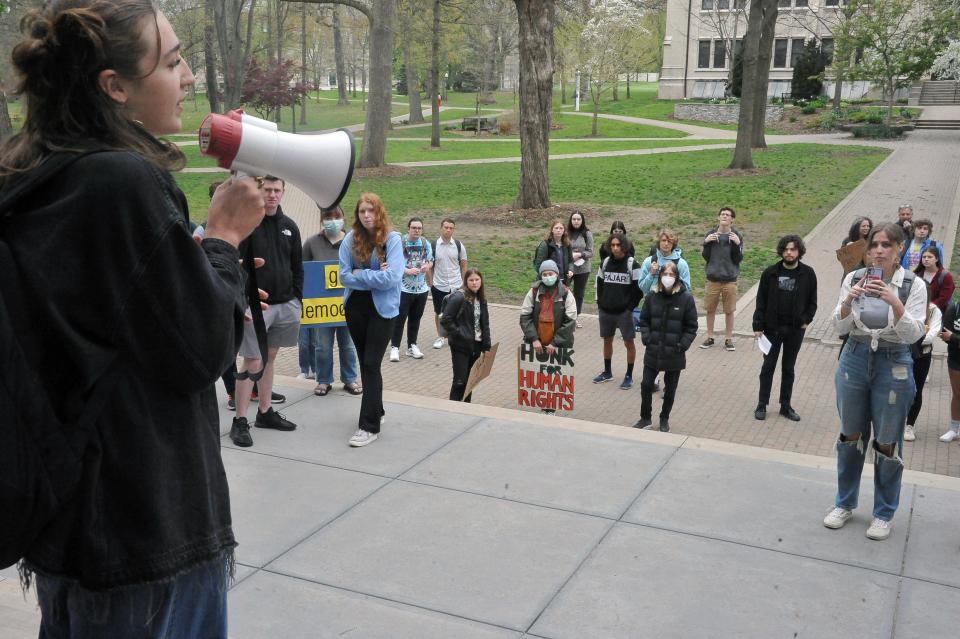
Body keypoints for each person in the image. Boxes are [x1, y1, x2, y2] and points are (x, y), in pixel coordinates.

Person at [0, 0, 265, 633]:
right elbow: (203, 350)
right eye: (173, 62)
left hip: (76, 527)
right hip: (146, 532)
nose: (190, 77)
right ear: (114, 87)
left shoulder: (35, 171)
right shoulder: (121, 184)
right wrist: (225, 239)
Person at [823, 223, 926, 541]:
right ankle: (844, 503)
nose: (879, 250)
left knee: (886, 441)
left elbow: (914, 336)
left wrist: (894, 302)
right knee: (850, 435)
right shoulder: (854, 278)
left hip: (893, 362)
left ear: (898, 251)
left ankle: (883, 513)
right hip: (854, 356)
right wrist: (847, 302)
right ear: (866, 252)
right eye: (874, 246)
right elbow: (838, 328)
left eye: (887, 245)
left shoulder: (914, 285)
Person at [231, 176, 303, 447]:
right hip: (255, 307)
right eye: (268, 190)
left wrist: (297, 298)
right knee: (252, 361)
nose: (272, 195)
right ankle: (240, 420)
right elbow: (234, 265)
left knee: (270, 358)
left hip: (286, 304)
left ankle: (265, 412)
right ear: (260, 191)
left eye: (277, 190)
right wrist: (241, 301)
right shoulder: (247, 225)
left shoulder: (290, 227)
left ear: (283, 192)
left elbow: (297, 265)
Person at [339, 193, 404, 447]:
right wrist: (374, 274)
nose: (367, 215)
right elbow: (344, 276)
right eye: (362, 211)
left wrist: (361, 274)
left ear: (379, 212)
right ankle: (378, 410)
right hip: (356, 307)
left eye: (371, 210)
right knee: (367, 362)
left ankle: (369, 426)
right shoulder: (349, 239)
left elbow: (393, 278)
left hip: (383, 310)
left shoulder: (392, 239)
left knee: (370, 363)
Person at [752, 235, 818, 422]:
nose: (789, 253)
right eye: (786, 249)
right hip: (772, 330)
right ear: (782, 251)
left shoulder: (808, 274)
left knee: (788, 368)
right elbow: (761, 301)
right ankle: (762, 404)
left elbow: (812, 301)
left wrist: (806, 320)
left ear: (799, 252)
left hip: (795, 330)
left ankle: (785, 405)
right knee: (768, 367)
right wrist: (758, 325)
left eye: (793, 249)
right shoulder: (770, 273)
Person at [302, 205, 362, 397]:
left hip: (348, 303)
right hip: (321, 307)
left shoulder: (354, 242)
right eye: (328, 217)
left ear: (343, 218)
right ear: (321, 219)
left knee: (348, 345)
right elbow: (304, 273)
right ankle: (323, 380)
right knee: (322, 346)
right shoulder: (311, 243)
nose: (332, 220)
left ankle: (350, 379)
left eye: (336, 217)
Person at [635, 261, 699, 432]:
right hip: (653, 350)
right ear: (660, 276)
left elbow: (691, 327)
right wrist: (647, 338)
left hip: (674, 353)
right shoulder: (651, 296)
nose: (668, 278)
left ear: (677, 277)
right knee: (646, 385)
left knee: (670, 389)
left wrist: (681, 345)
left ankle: (664, 419)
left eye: (671, 274)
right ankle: (645, 418)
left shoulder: (686, 299)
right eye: (665, 274)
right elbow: (644, 320)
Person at [519, 260, 577, 414]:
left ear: (557, 275)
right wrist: (534, 339)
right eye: (544, 274)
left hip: (559, 345)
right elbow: (525, 316)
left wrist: (556, 343)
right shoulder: (533, 292)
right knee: (538, 376)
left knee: (556, 377)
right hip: (537, 343)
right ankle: (543, 403)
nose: (547, 277)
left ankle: (551, 407)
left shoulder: (566, 293)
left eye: (550, 274)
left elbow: (570, 321)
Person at [592, 235, 642, 390]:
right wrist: (600, 304)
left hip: (624, 313)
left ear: (624, 246)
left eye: (618, 245)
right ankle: (607, 372)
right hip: (606, 311)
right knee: (607, 340)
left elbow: (638, 290)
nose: (615, 248)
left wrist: (629, 308)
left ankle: (629, 375)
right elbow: (599, 285)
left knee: (629, 342)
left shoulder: (633, 264)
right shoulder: (605, 263)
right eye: (612, 245)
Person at [440, 268, 492, 402]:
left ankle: (466, 408)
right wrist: (459, 333)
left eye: (477, 280)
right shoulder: (459, 297)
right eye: (471, 280)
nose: (474, 283)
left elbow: (485, 324)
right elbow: (446, 319)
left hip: (476, 345)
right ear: (466, 281)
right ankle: (453, 408)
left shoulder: (481, 299)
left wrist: (487, 347)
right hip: (460, 345)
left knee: (470, 381)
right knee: (460, 380)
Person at [390, 217, 433, 362]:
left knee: (415, 318)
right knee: (399, 319)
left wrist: (427, 266)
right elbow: (391, 262)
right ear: (408, 228)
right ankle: (394, 347)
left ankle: (412, 346)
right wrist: (406, 271)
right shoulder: (400, 242)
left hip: (421, 289)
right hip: (403, 288)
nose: (417, 230)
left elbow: (430, 260)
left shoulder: (425, 243)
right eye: (414, 228)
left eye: (419, 228)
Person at [700, 206, 743, 351]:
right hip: (712, 279)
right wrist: (706, 243)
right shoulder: (711, 234)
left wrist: (737, 244)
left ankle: (728, 339)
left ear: (732, 219)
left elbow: (738, 259)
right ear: (718, 217)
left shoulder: (736, 236)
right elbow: (706, 257)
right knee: (710, 309)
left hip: (730, 279)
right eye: (722, 214)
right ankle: (710, 337)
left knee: (729, 311)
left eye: (728, 215)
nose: (725, 216)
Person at [904, 288, 941, 442]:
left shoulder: (933, 311)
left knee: (916, 389)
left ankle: (910, 425)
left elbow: (932, 333)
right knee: (896, 387)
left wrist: (912, 338)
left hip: (922, 355)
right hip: (901, 354)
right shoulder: (905, 304)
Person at [429, 217, 467, 349]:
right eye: (446, 227)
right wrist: (431, 283)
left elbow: (463, 265)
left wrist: (464, 283)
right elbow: (429, 266)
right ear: (441, 228)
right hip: (439, 285)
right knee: (439, 312)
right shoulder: (433, 246)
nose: (448, 230)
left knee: (458, 312)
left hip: (456, 285)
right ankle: (440, 336)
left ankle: (456, 335)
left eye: (451, 228)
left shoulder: (458, 245)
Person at [638, 228, 692, 295]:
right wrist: (651, 274)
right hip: (653, 302)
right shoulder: (649, 261)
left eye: (669, 241)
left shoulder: (681, 264)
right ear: (658, 242)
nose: (666, 243)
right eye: (663, 240)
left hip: (674, 302)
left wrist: (675, 276)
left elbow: (687, 290)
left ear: (673, 243)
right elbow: (643, 288)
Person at [567, 210, 594, 328]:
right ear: (571, 220)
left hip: (583, 268)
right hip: (568, 267)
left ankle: (575, 317)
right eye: (574, 219)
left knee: (579, 294)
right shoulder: (566, 233)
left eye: (578, 219)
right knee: (564, 290)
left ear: (582, 221)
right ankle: (564, 316)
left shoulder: (587, 233)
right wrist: (570, 255)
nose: (576, 221)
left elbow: (590, 252)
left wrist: (580, 255)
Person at [938, 300, 960, 442]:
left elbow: (950, 336)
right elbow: (944, 334)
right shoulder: (954, 308)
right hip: (955, 358)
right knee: (958, 393)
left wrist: (954, 337)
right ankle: (954, 429)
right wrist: (952, 339)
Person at [914, 245, 955, 313]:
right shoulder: (917, 274)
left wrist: (927, 308)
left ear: (937, 259)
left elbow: (943, 299)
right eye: (924, 257)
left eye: (930, 257)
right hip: (916, 311)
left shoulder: (946, 276)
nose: (926, 259)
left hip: (937, 313)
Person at [533, 218, 574, 286]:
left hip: (564, 280)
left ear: (564, 231)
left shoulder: (567, 244)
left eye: (561, 228)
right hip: (549, 281)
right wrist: (547, 277)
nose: (558, 230)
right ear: (552, 230)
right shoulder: (545, 245)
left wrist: (570, 270)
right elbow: (538, 265)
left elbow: (571, 261)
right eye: (556, 228)